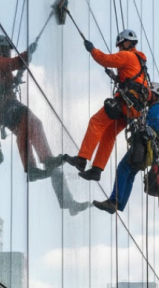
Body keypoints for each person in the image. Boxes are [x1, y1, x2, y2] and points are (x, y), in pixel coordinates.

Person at [0, 35, 88, 216]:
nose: (8, 51)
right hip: (0, 107)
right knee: (28, 119)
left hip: (4, 106)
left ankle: (67, 201)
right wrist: (27, 53)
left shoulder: (2, 64)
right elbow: (17, 62)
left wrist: (17, 73)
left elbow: (15, 66)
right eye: (6, 48)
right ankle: (33, 166)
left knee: (33, 128)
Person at [62, 29, 150, 182]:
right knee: (109, 134)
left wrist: (92, 49)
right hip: (134, 109)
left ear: (127, 43)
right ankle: (96, 170)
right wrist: (117, 78)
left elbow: (104, 59)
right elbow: (134, 82)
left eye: (121, 45)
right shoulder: (139, 62)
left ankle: (82, 159)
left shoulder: (127, 56)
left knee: (96, 122)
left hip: (125, 102)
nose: (119, 48)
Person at [92, 81, 159, 214]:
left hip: (144, 145)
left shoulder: (157, 108)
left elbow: (155, 123)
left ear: (154, 95)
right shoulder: (152, 109)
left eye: (150, 94)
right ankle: (119, 204)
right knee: (130, 173)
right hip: (148, 148)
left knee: (123, 168)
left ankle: (114, 201)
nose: (147, 97)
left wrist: (147, 130)